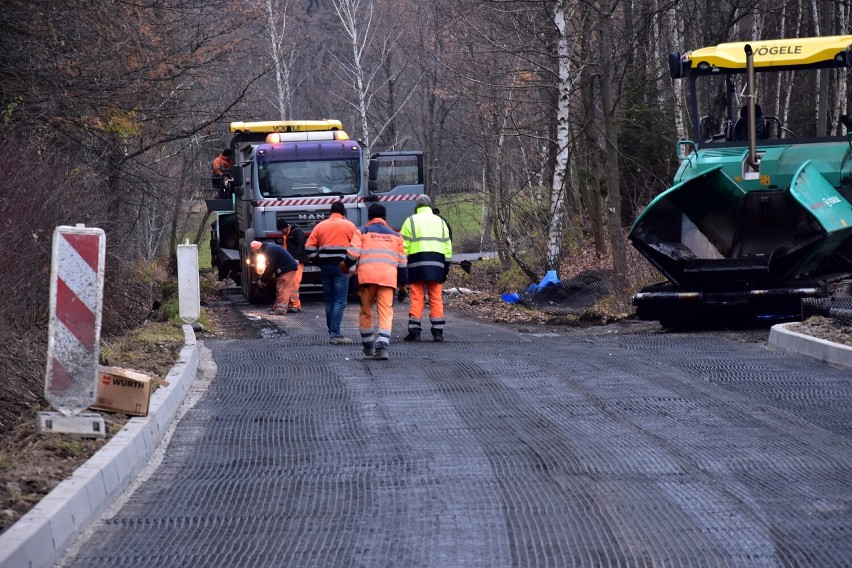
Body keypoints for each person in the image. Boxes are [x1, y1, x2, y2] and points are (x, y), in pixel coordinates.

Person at [341, 204, 407, 360]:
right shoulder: (396, 236)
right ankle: (382, 347)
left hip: (366, 280)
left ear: (369, 217)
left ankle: (368, 347)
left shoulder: (362, 232)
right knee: (385, 313)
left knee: (366, 311)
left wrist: (345, 267)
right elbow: (402, 264)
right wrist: (403, 284)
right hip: (388, 280)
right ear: (385, 218)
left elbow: (353, 255)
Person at [399, 194, 452, 342]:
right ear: (430, 205)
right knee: (436, 297)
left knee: (417, 296)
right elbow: (448, 247)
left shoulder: (410, 221)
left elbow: (403, 247)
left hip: (417, 263)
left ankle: (415, 332)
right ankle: (438, 332)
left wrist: (403, 267)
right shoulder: (440, 222)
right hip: (437, 264)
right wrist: (445, 268)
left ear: (417, 207)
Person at [305, 200, 358, 344]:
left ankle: (332, 331)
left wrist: (318, 261)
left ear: (331, 212)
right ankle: (335, 334)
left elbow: (309, 247)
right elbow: (357, 247)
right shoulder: (349, 226)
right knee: (339, 301)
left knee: (329, 300)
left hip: (325, 267)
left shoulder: (320, 226)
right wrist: (350, 264)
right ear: (343, 213)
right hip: (341, 267)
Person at [250, 240, 298, 315]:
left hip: (288, 269)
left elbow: (270, 267)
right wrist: (265, 278)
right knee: (279, 287)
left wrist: (262, 280)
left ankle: (281, 309)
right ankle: (277, 307)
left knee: (283, 289)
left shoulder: (268, 250)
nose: (257, 254)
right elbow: (273, 265)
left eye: (256, 253)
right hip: (286, 268)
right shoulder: (269, 248)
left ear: (258, 249)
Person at [276, 219, 308, 313]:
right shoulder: (288, 234)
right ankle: (292, 304)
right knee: (291, 282)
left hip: (297, 261)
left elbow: (301, 245)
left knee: (294, 283)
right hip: (292, 262)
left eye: (281, 230)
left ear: (286, 227)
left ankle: (295, 305)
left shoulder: (296, 232)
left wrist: (297, 258)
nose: (281, 232)